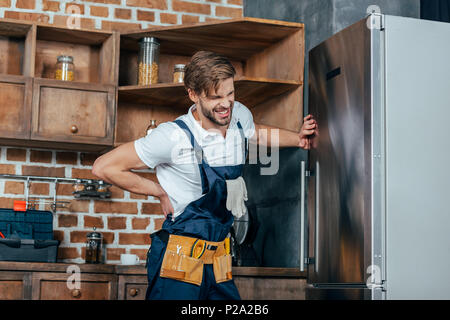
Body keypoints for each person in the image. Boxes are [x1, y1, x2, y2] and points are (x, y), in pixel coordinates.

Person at [92, 51, 317, 300]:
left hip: (219, 260)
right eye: (215, 97)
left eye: (230, 94)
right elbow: (104, 167)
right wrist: (158, 190)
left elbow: (257, 134)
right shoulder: (172, 136)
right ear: (193, 94)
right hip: (179, 261)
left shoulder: (238, 115)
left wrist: (297, 138)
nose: (226, 104)